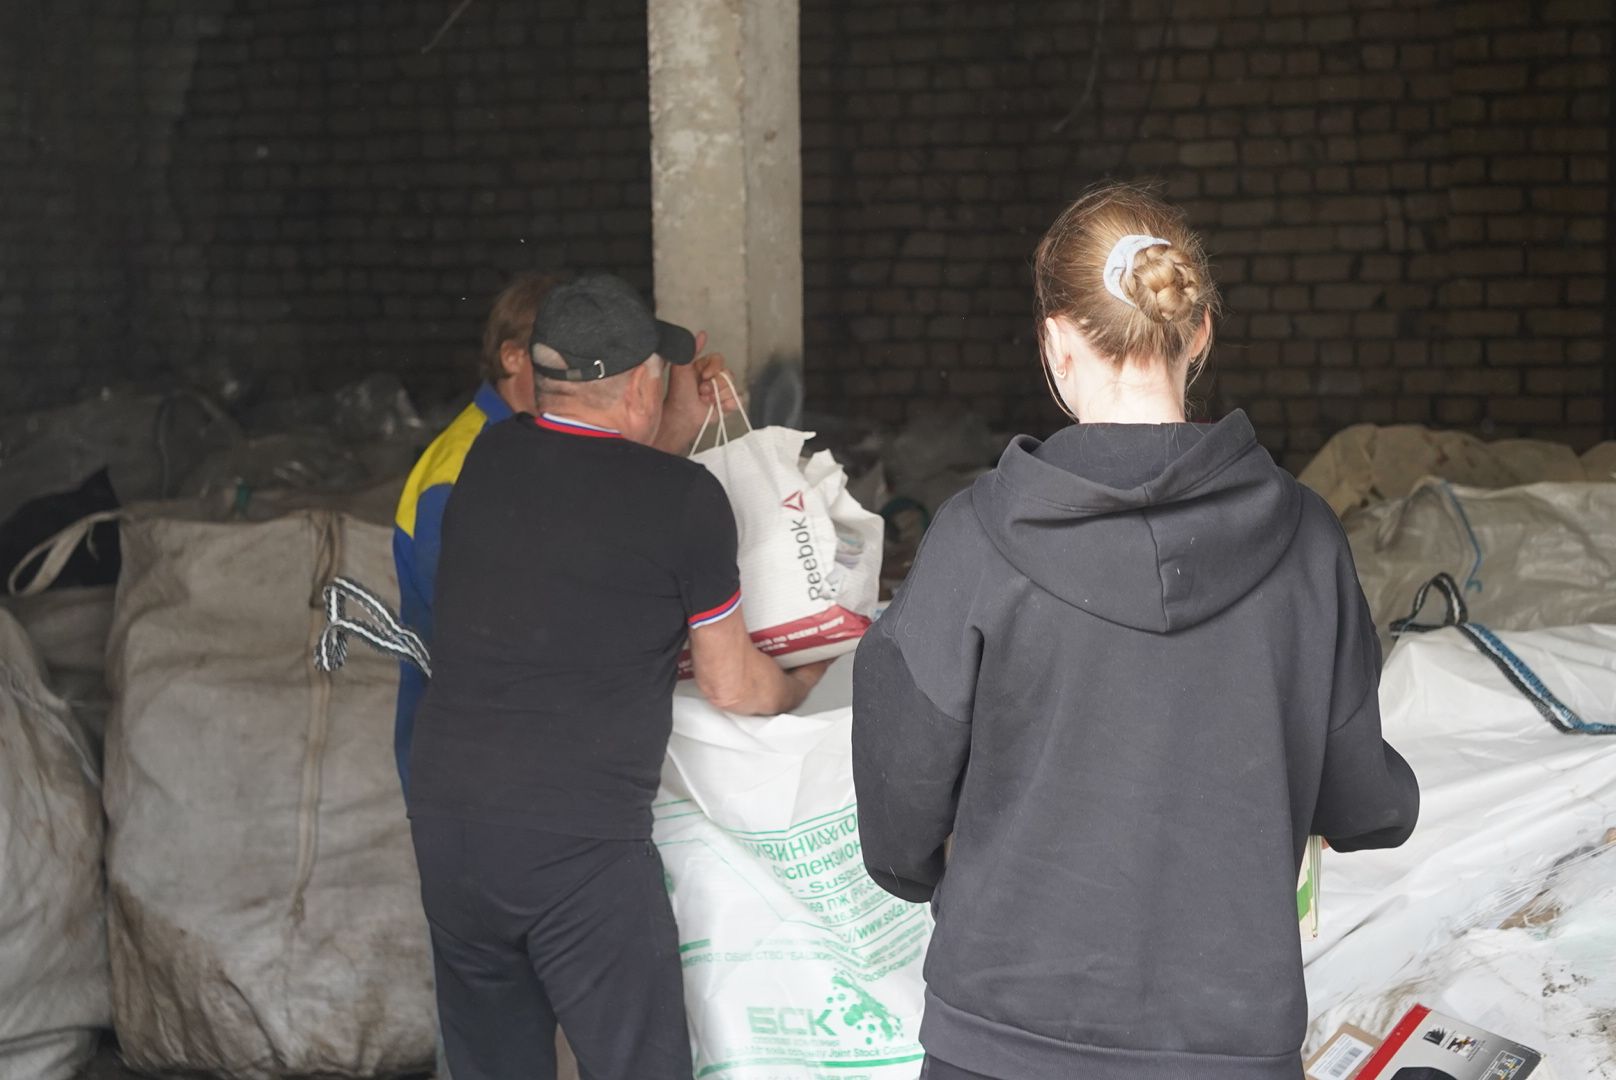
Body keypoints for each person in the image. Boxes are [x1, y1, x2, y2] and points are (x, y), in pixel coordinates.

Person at [850, 183, 1419, 1080]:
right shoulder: (1306, 539)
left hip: (1001, 1036)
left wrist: (940, 875)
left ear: (1054, 342)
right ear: (1197, 333)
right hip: (1226, 1045)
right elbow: (1363, 803)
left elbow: (899, 807)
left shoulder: (977, 538)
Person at [407, 272, 830, 1080]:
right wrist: (802, 684)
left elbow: (601, 493)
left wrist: (679, 427)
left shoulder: (491, 459)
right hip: (578, 850)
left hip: (450, 828)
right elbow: (732, 685)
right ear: (641, 383)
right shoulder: (683, 501)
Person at [393, 271, 731, 791]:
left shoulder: (531, 451)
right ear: (514, 358)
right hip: (488, 772)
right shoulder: (465, 471)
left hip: (539, 762)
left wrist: (679, 421)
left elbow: (606, 522)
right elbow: (505, 629)